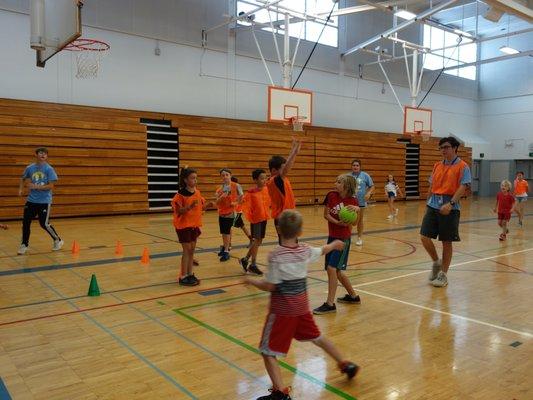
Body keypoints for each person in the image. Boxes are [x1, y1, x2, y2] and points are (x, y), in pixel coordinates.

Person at [244, 210, 359, 400]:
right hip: (302, 310)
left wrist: (251, 281)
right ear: (300, 232)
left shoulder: (276, 256)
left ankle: (280, 393)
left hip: (282, 313)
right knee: (319, 338)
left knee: (267, 352)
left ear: (278, 229)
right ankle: (346, 364)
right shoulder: (304, 250)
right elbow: (321, 250)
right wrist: (334, 244)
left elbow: (270, 285)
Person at [420, 137, 471, 288]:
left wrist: (451, 203)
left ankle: (443, 275)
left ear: (455, 148)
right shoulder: (437, 165)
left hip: (450, 207)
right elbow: (432, 185)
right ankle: (436, 262)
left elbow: (463, 187)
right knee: (424, 236)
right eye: (441, 147)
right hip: (433, 204)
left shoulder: (463, 166)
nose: (443, 150)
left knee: (446, 242)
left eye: (446, 147)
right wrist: (427, 201)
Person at [313, 174, 361, 315]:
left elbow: (354, 223)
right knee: (337, 271)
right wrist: (337, 223)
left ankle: (330, 304)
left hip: (343, 240)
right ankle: (353, 296)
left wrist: (358, 210)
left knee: (331, 269)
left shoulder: (353, 201)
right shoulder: (331, 195)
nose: (336, 183)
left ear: (346, 186)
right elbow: (326, 215)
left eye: (339, 182)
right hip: (332, 237)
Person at [17, 147, 63, 255]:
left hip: (44, 201)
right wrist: (20, 189)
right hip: (31, 201)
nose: (43, 155)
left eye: (45, 154)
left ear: (46, 156)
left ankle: (58, 240)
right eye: (41, 153)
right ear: (36, 155)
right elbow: (23, 178)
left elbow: (51, 186)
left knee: (44, 224)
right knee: (26, 222)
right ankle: (24, 244)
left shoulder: (49, 169)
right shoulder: (30, 168)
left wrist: (35, 186)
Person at [171, 167, 212, 286]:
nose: (195, 180)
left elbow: (200, 207)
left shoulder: (197, 192)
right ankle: (182, 276)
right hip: (183, 226)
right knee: (187, 250)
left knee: (192, 250)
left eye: (196, 178)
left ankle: (190, 274)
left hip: (194, 225)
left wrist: (207, 206)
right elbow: (179, 211)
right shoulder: (180, 195)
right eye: (193, 178)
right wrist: (189, 207)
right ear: (185, 180)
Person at [266, 138, 302, 241]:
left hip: (288, 216)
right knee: (287, 245)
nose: (285, 170)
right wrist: (294, 153)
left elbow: (286, 166)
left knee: (291, 245)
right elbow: (287, 168)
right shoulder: (274, 181)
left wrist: (293, 150)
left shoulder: (280, 179)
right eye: (282, 168)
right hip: (283, 219)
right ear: (274, 170)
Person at [240, 169, 270, 276]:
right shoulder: (251, 193)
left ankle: (245, 259)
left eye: (265, 178)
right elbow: (245, 206)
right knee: (256, 241)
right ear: (255, 180)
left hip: (264, 218)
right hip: (256, 219)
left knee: (259, 241)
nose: (264, 180)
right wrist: (251, 217)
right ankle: (253, 264)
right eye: (261, 178)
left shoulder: (266, 189)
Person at [215, 168, 244, 261]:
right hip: (221, 213)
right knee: (223, 232)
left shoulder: (236, 186)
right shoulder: (220, 189)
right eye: (223, 175)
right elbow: (217, 202)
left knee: (227, 232)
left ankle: (227, 251)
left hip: (231, 213)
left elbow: (241, 197)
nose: (225, 177)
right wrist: (221, 197)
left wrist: (235, 203)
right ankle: (224, 248)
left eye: (227, 174)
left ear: (230, 175)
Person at [349, 159, 374, 246]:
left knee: (360, 220)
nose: (355, 167)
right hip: (350, 201)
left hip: (361, 201)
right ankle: (348, 236)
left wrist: (369, 193)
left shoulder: (365, 175)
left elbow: (372, 186)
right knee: (349, 219)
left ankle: (359, 238)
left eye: (357, 165)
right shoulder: (348, 176)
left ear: (360, 167)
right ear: (351, 166)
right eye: (354, 165)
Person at [230, 176, 252, 246]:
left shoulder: (237, 191)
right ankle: (251, 239)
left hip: (236, 212)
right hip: (236, 212)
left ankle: (228, 244)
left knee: (228, 227)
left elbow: (241, 200)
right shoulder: (231, 191)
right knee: (242, 226)